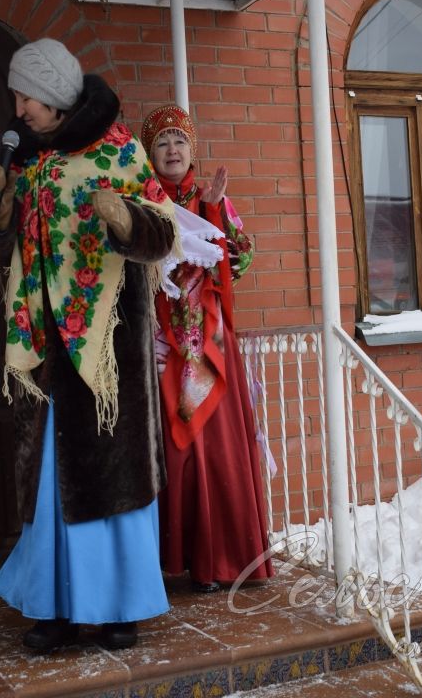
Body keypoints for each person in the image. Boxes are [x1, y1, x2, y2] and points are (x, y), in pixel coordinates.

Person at [0, 38, 176, 651]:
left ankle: (118, 608)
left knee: (110, 478)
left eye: (25, 96)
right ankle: (54, 608)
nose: (18, 107)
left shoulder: (119, 152)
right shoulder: (25, 161)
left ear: (57, 97)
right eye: (16, 95)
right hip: (43, 349)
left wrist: (126, 222)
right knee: (49, 480)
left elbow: (163, 233)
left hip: (107, 349)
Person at [140, 103, 274, 593]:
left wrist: (214, 209)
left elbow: (240, 259)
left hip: (211, 344)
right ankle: (187, 557)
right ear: (149, 153)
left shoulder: (209, 196)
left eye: (179, 140)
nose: (172, 149)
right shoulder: (145, 203)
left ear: (192, 149)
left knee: (219, 453)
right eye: (161, 142)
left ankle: (225, 558)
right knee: (179, 454)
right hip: (163, 345)